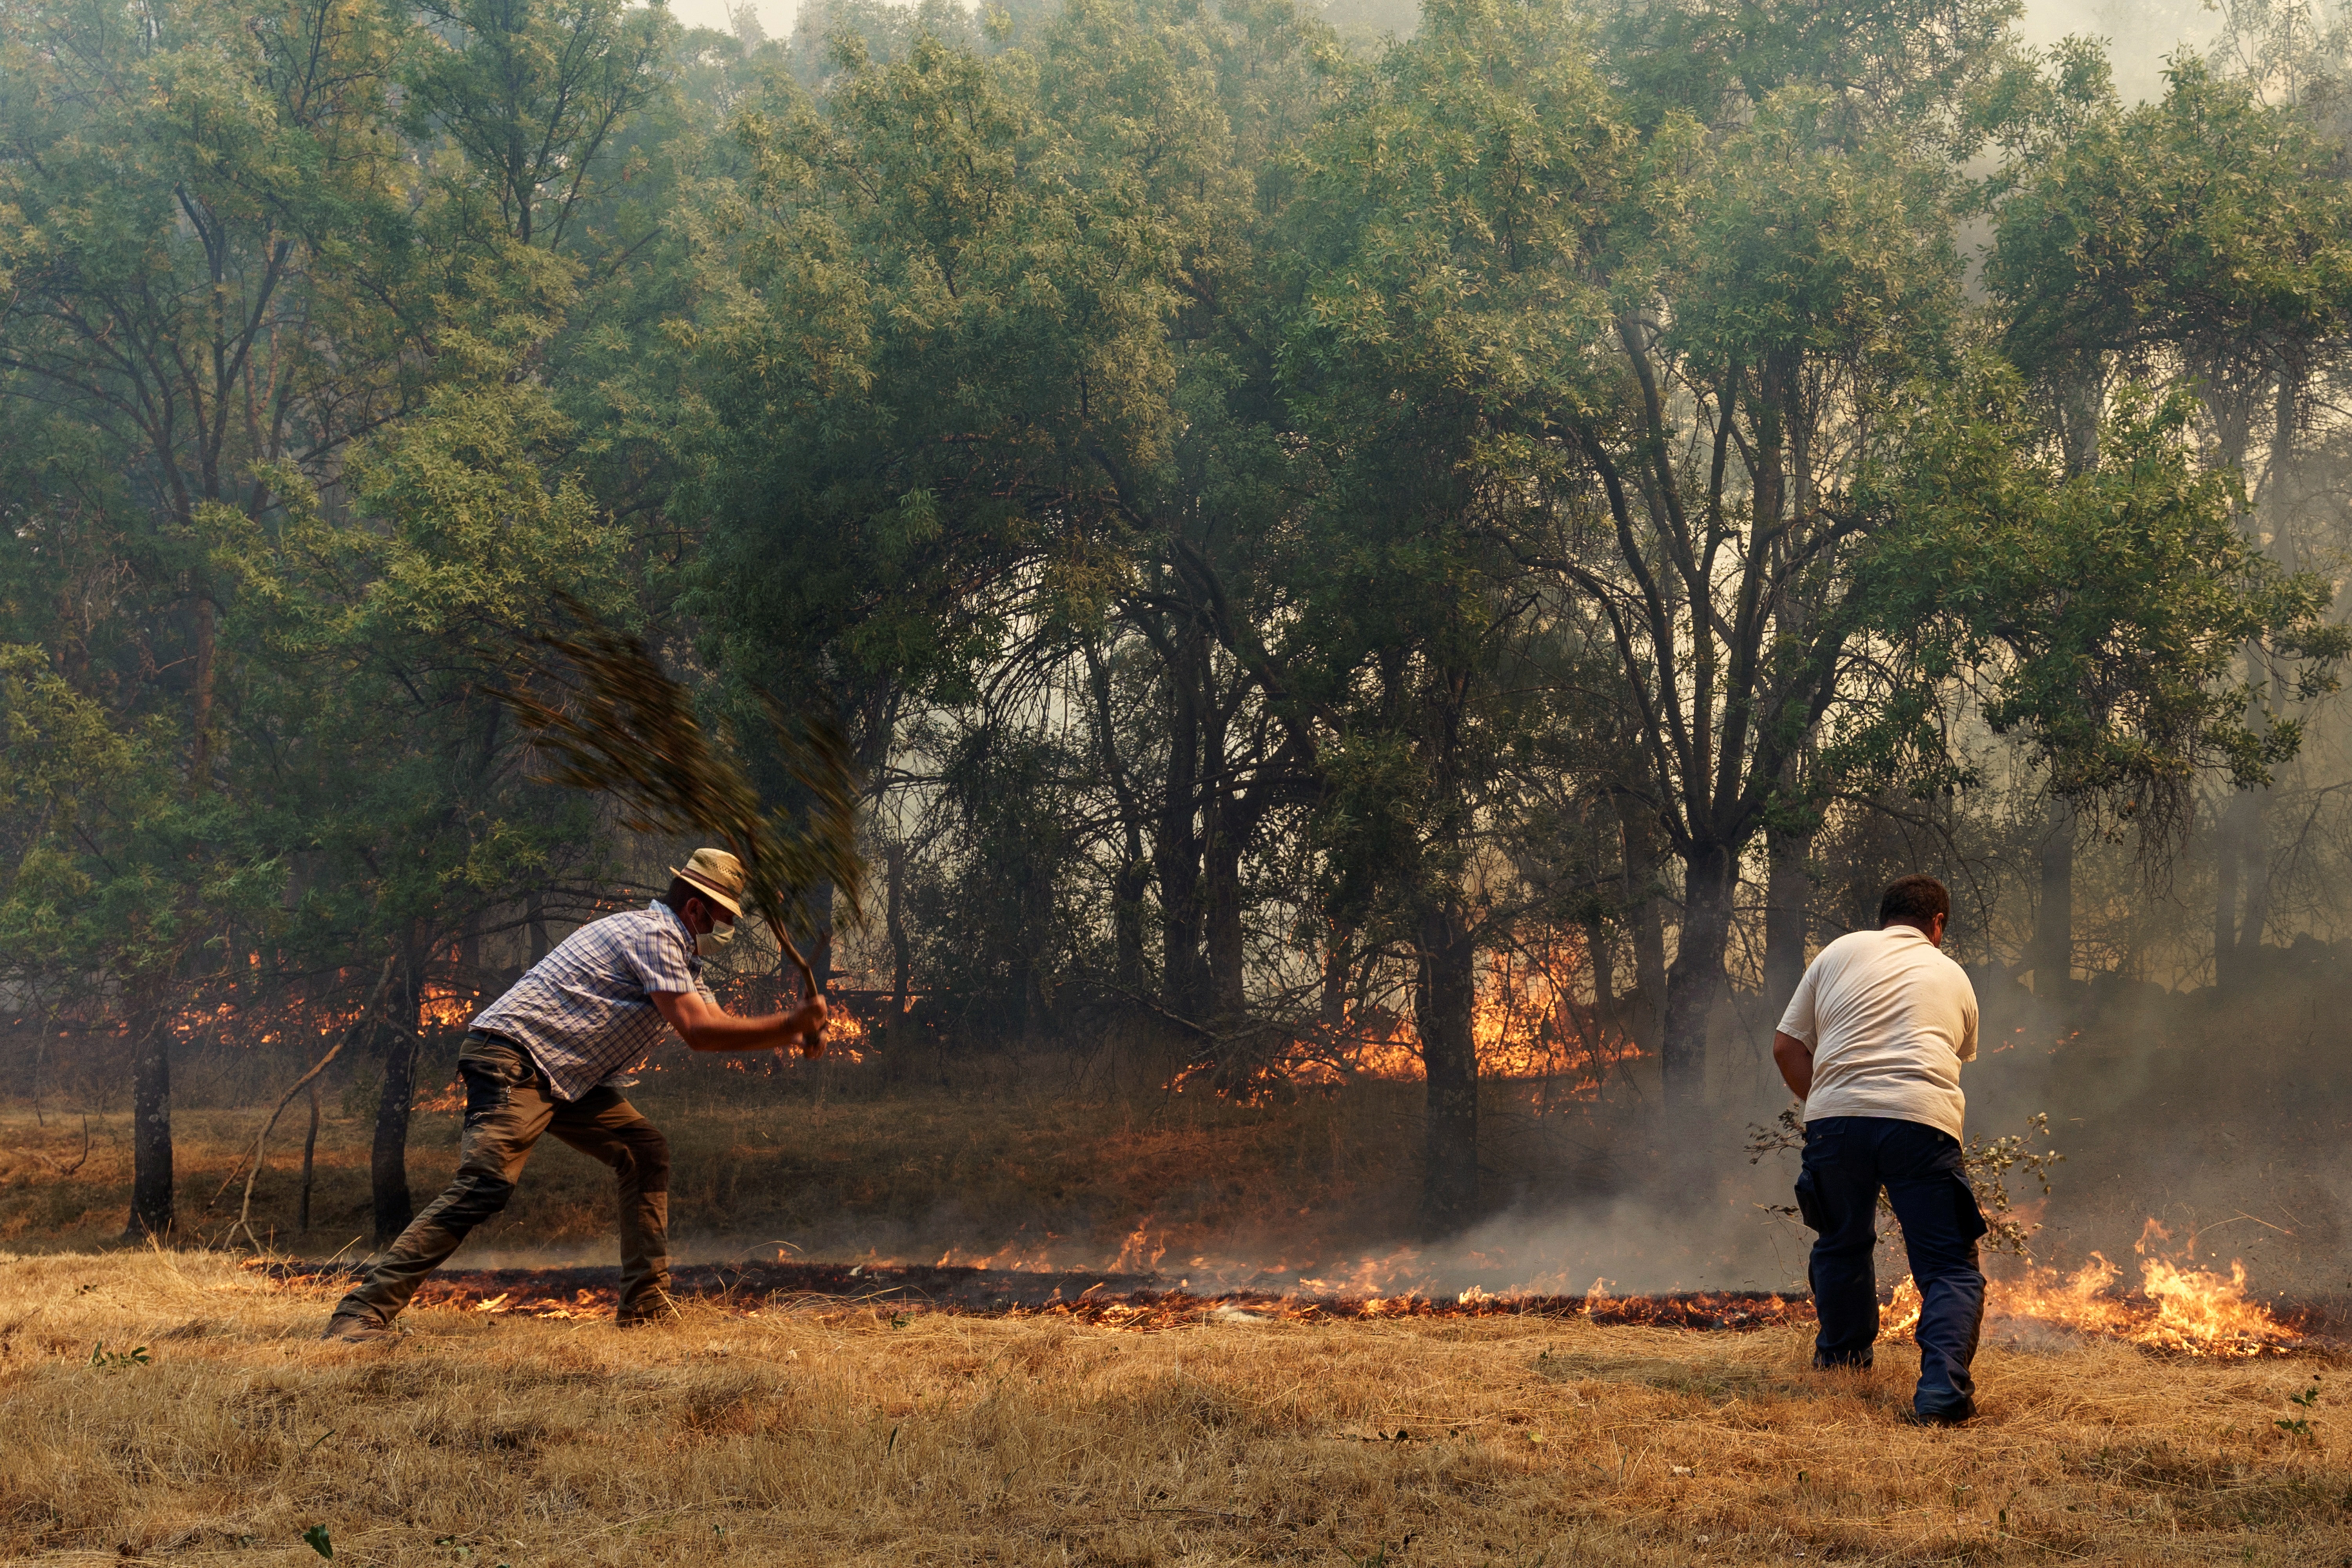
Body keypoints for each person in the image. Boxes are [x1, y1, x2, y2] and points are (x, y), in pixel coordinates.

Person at [319, 849, 826, 1341]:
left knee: (644, 1151)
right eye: (721, 919)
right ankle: (359, 1314)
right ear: (695, 908)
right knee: (485, 1185)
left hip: (567, 1077)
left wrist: (793, 1032)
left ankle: (646, 1310)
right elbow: (699, 1032)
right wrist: (791, 1023)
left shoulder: (681, 960)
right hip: (513, 1058)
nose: (724, 932)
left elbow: (715, 1025)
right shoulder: (653, 935)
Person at [1771, 873, 1985, 1425]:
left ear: (1883, 915)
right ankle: (1940, 1397)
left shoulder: (1838, 953)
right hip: (1920, 1123)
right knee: (1948, 1269)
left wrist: (1825, 1102)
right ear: (1937, 924)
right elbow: (1954, 1055)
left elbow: (1787, 1046)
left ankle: (1841, 1364)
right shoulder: (1952, 974)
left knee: (1842, 1242)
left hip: (1836, 1122)